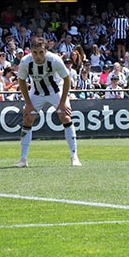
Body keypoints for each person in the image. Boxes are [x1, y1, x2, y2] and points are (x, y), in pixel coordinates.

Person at [14, 37, 81, 168]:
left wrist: (62, 102)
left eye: (41, 52)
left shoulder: (55, 60)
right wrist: (28, 103)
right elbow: (21, 80)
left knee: (65, 116)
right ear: (31, 52)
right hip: (37, 92)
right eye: (34, 52)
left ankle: (74, 156)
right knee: (28, 118)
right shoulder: (25, 61)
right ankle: (23, 159)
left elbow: (67, 79)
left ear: (46, 51)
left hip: (55, 91)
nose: (38, 56)